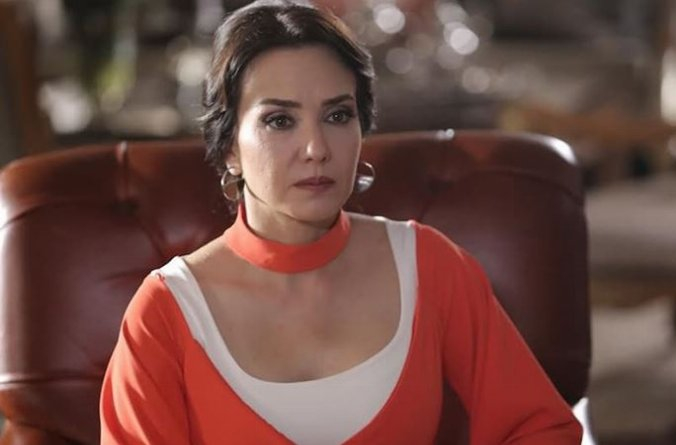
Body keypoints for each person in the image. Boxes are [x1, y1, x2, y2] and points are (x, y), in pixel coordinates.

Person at [99, 1, 582, 443]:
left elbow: (541, 430)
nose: (317, 149)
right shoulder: (166, 313)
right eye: (279, 121)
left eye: (337, 115)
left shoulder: (428, 266)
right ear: (229, 147)